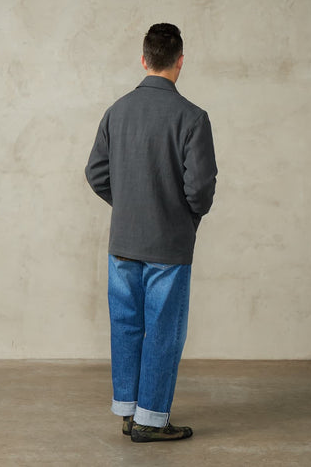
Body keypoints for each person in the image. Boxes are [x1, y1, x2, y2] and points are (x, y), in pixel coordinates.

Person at [84, 23, 217, 442]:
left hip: (123, 241)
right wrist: (184, 218)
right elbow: (200, 188)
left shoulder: (117, 111)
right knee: (163, 330)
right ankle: (151, 420)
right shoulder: (193, 117)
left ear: (144, 60)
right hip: (169, 244)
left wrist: (129, 206)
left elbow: (96, 173)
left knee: (126, 325)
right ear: (180, 62)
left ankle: (128, 412)